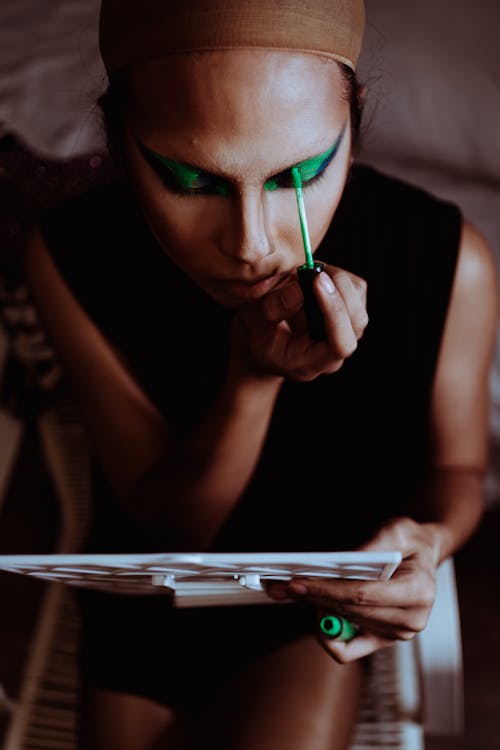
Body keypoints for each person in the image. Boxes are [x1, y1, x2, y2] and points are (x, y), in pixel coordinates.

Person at [21, 1, 498, 748]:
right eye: (191, 179)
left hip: (306, 607)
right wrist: (251, 380)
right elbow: (173, 525)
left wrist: (427, 540)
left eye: (298, 174)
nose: (249, 246)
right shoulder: (66, 254)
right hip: (145, 593)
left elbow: (461, 467)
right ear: (117, 139)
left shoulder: (447, 262)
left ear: (356, 117)